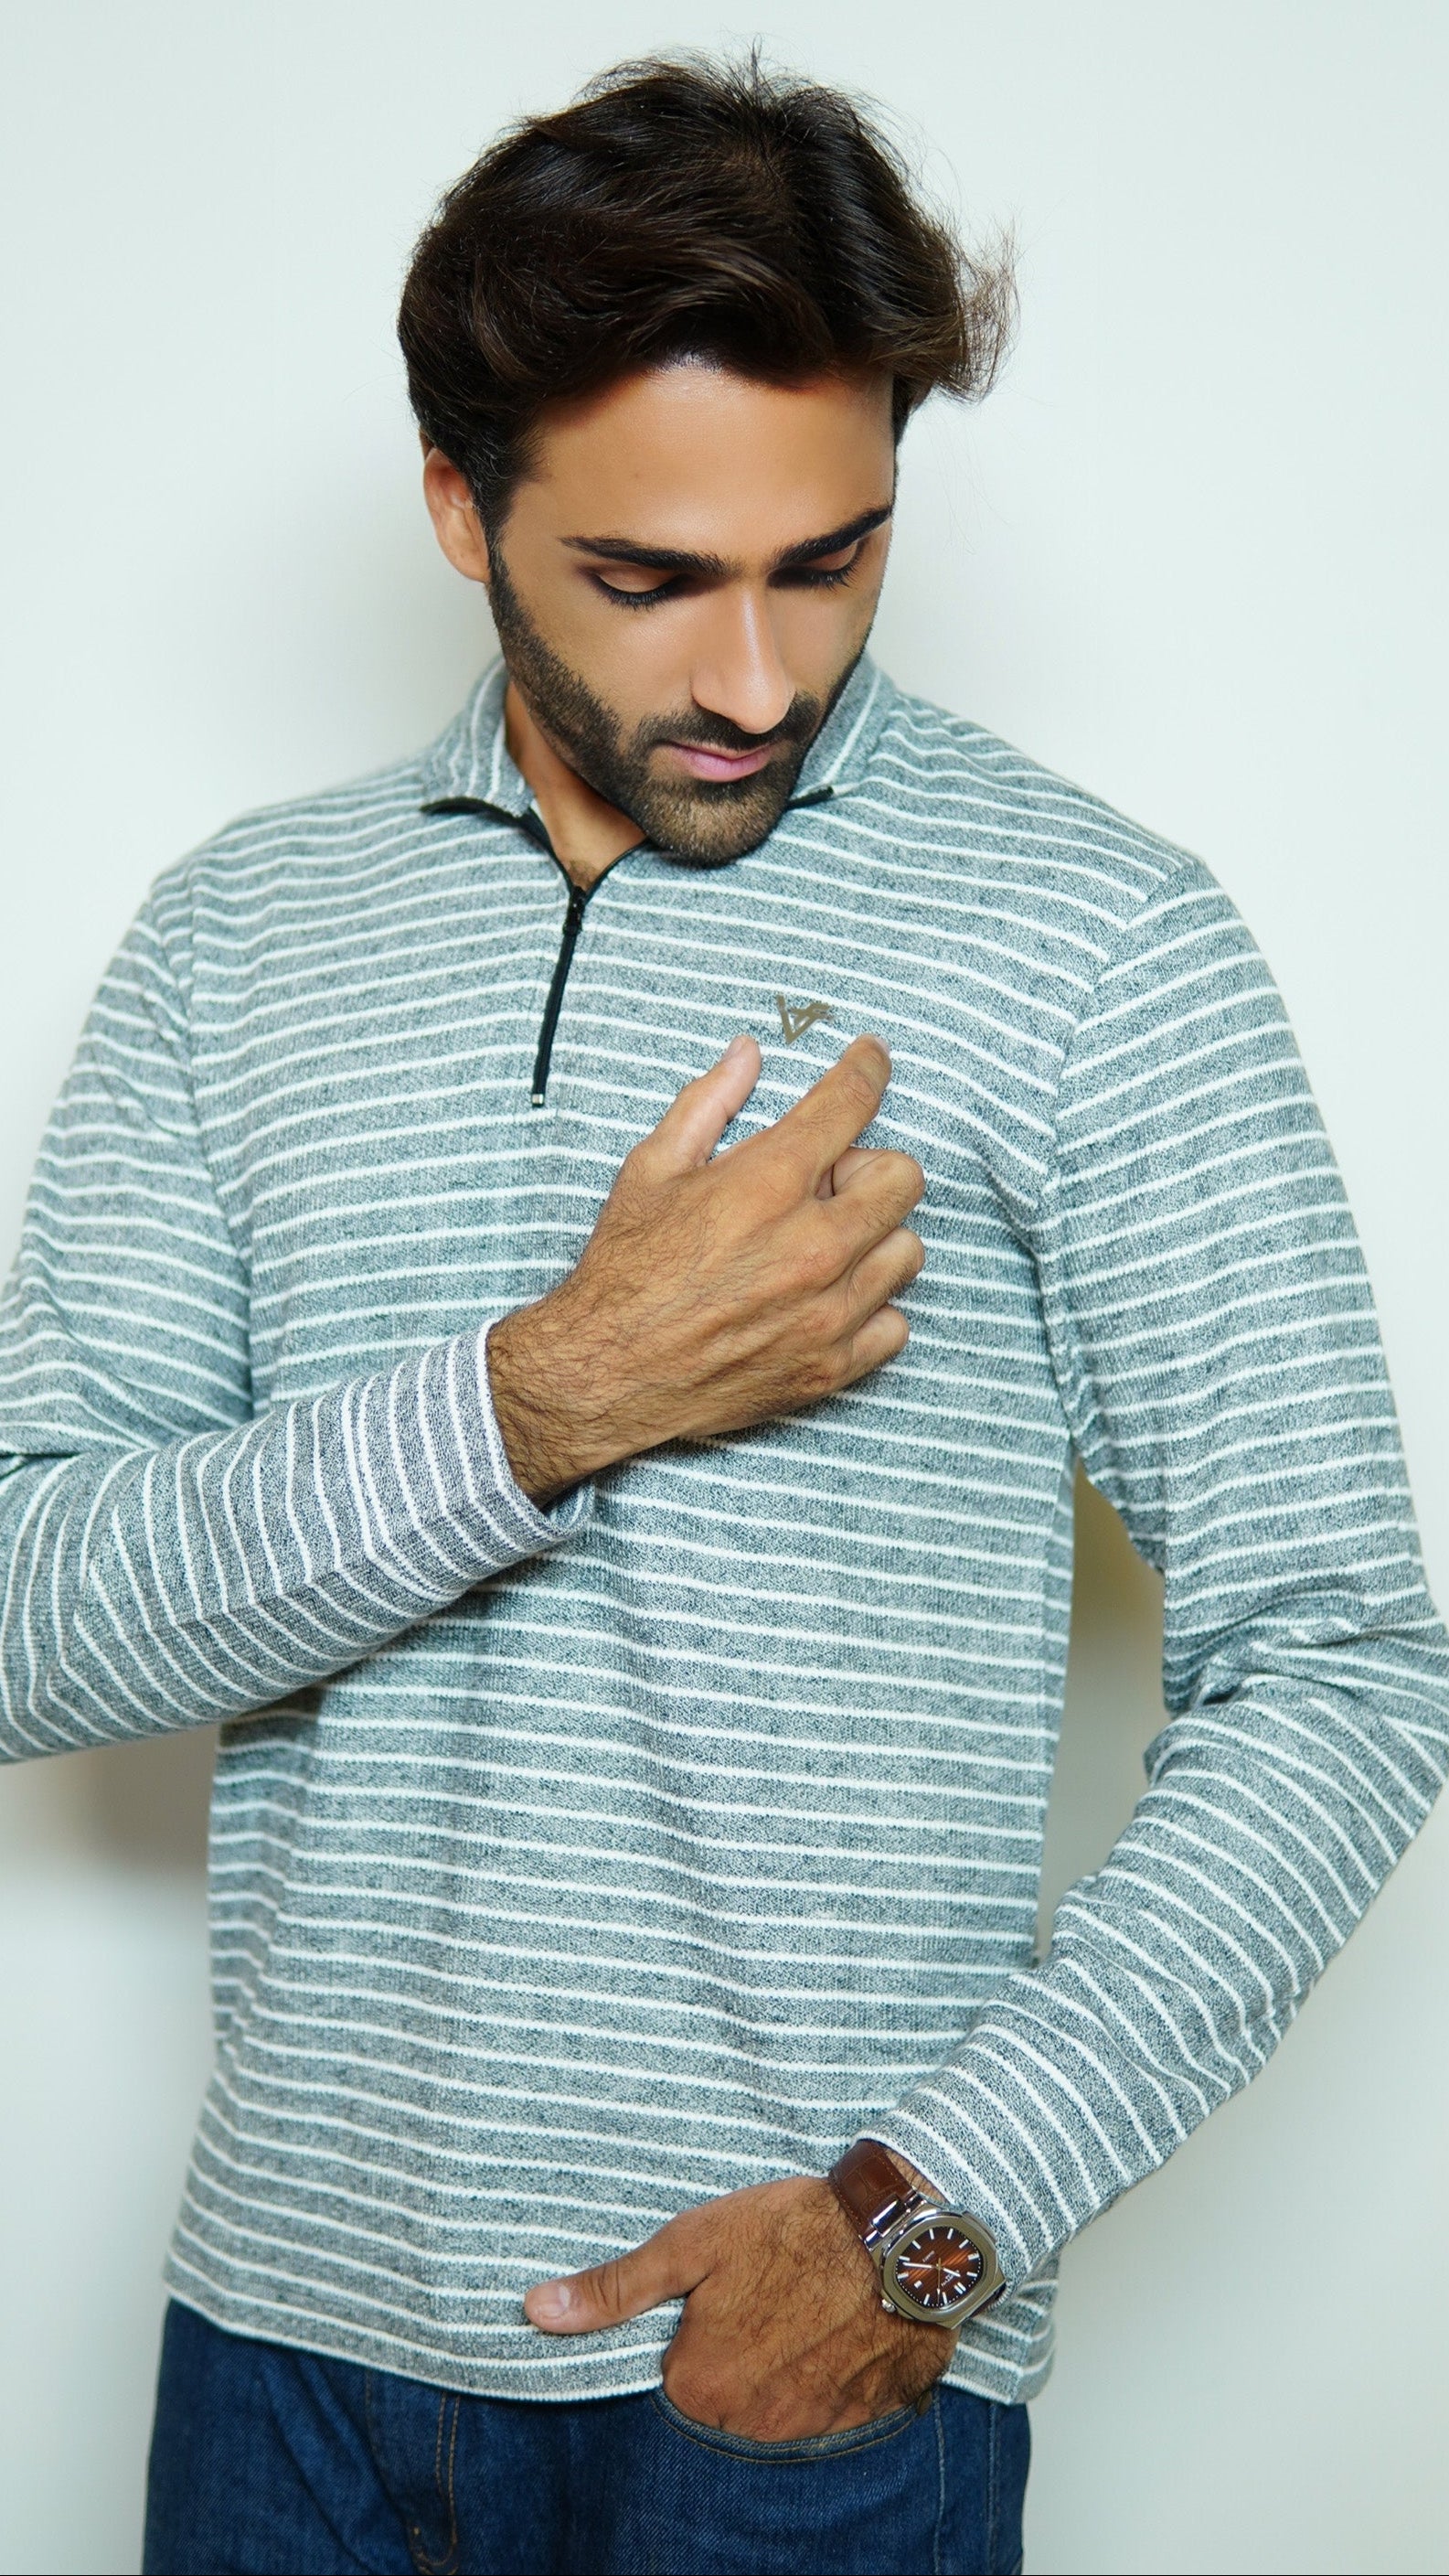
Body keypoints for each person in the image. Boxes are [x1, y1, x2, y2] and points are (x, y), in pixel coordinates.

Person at [1, 51, 1444, 2576]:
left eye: (837, 556)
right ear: (459, 508)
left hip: (786, 2400)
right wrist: (545, 1400)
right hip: (281, 2372)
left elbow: (1340, 1661)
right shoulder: (243, 939)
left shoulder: (1092, 937)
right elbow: (29, 1610)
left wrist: (926, 2226)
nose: (760, 680)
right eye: (649, 580)